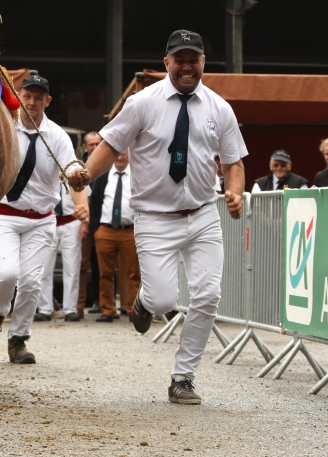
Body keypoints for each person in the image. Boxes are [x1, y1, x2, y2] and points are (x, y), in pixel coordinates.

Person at [69, 29, 247, 405]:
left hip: (202, 215)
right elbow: (111, 145)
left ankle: (183, 377)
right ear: (166, 62)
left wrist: (234, 192)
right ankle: (148, 302)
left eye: (193, 59)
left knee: (208, 296)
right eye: (179, 59)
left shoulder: (220, 108)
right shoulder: (141, 104)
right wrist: (86, 174)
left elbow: (233, 162)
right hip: (154, 217)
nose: (186, 66)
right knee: (166, 300)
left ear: (202, 63)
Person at [0, 72, 84, 364]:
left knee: (31, 282)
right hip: (4, 216)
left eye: (39, 97)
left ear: (47, 101)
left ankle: (18, 341)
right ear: (19, 97)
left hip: (41, 219)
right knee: (7, 274)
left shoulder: (58, 136)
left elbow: (70, 163)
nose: (32, 102)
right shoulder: (4, 129)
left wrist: (75, 173)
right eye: (27, 96)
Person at [87, 150, 140, 322]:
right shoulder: (103, 176)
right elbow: (94, 201)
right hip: (105, 230)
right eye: (117, 154)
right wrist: (96, 229)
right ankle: (107, 310)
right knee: (105, 273)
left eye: (124, 154)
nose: (120, 157)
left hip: (129, 230)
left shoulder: (137, 176)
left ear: (129, 155)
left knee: (134, 274)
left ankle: (133, 309)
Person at [37, 185, 88, 322]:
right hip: (47, 221)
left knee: (72, 267)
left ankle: (70, 309)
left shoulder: (75, 168)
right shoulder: (45, 165)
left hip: (71, 221)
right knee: (44, 267)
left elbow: (85, 198)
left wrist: (85, 222)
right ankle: (44, 309)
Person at [79, 131, 102, 316]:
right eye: (91, 144)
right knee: (82, 264)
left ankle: (99, 301)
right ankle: (80, 306)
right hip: (85, 220)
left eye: (97, 144)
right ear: (85, 147)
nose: (94, 147)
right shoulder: (78, 165)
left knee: (100, 264)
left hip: (103, 221)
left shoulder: (106, 163)